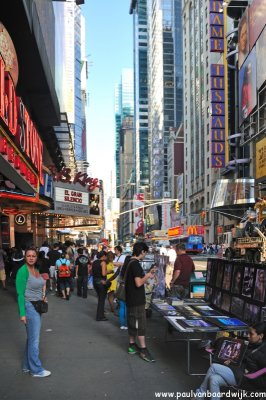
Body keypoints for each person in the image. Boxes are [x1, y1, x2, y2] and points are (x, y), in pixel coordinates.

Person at [195, 322, 266, 398]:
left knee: (213, 367)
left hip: (246, 380)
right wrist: (232, 361)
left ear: (261, 336)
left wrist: (249, 374)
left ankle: (199, 396)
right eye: (248, 333)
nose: (248, 336)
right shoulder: (250, 343)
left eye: (251, 334)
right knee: (214, 379)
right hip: (238, 373)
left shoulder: (263, 353)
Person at [15, 247, 51, 378]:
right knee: (34, 341)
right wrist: (22, 314)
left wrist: (43, 296)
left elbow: (39, 286)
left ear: (36, 258)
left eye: (33, 256)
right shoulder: (22, 271)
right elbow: (20, 294)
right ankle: (36, 370)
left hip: (38, 306)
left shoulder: (35, 270)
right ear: (25, 257)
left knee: (31, 339)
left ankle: (26, 366)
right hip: (29, 307)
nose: (31, 258)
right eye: (28, 255)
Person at [125, 242, 156, 362]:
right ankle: (143, 349)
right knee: (140, 324)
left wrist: (147, 275)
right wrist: (148, 275)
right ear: (142, 251)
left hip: (130, 298)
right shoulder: (136, 265)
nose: (145, 255)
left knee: (133, 321)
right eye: (145, 252)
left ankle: (132, 345)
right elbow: (138, 283)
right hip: (137, 299)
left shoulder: (129, 262)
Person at [92, 251, 109, 321]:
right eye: (106, 256)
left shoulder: (95, 262)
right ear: (104, 256)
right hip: (101, 282)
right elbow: (104, 274)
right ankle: (100, 316)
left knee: (100, 299)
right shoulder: (103, 262)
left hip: (95, 281)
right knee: (102, 300)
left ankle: (101, 315)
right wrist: (109, 271)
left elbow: (92, 271)